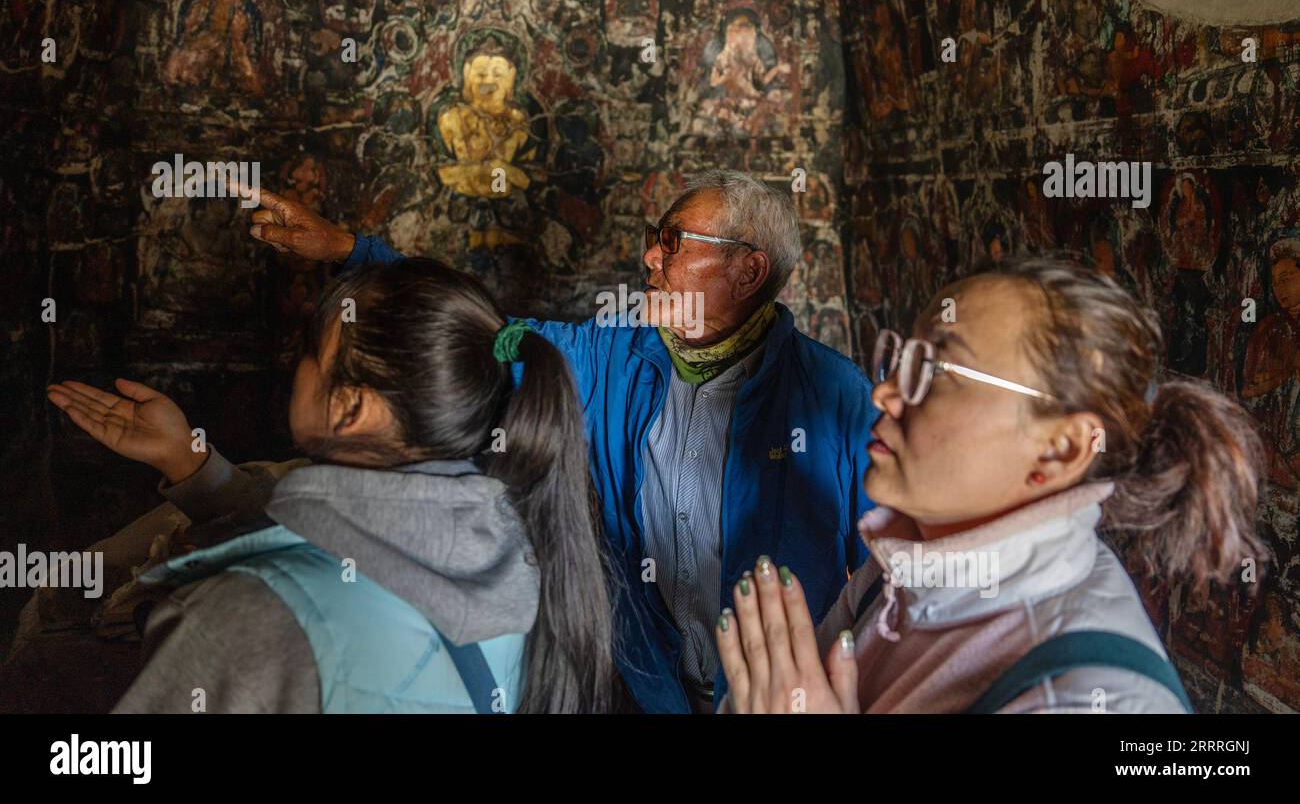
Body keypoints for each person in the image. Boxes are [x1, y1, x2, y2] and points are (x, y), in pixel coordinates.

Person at [238, 170, 879, 713]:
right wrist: (350, 251)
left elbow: (886, 574)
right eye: (657, 239)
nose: (650, 257)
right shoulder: (612, 356)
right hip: (648, 692)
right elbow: (480, 332)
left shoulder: (836, 396)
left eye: (673, 241)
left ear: (748, 270)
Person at [47, 258, 618, 713]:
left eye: (309, 354)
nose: (294, 366)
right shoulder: (524, 554)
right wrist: (189, 462)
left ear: (349, 407)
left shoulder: (242, 615)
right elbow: (359, 546)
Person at [715, 255, 1267, 713]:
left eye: (935, 371)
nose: (883, 394)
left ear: (1060, 449)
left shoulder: (1095, 701)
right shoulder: (901, 568)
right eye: (904, 358)